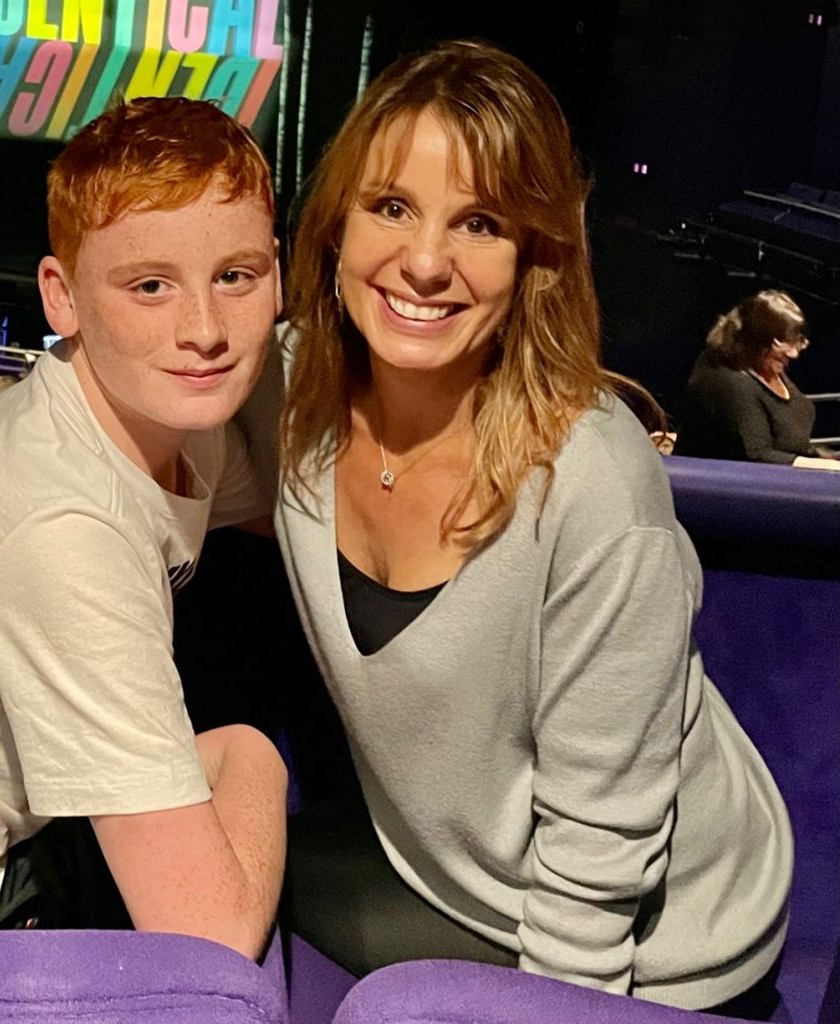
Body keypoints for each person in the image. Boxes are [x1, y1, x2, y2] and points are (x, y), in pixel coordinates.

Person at [268, 38, 792, 1015]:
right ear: (336, 221)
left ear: (535, 258)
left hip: (663, 939)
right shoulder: (289, 391)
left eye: (478, 222)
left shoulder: (594, 483)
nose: (423, 262)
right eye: (390, 206)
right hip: (461, 875)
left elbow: (596, 870)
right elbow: (117, 402)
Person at [0, 96, 287, 956]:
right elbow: (207, 934)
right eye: (149, 286)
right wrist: (256, 755)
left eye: (236, 276)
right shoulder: (66, 532)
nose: (205, 331)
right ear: (61, 299)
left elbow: (270, 521)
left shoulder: (169, 408)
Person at [673, 289, 840, 469]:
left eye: (797, 342)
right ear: (755, 339)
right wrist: (831, 467)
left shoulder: (766, 367)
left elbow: (793, 446)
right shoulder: (725, 380)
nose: (793, 353)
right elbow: (756, 455)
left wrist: (830, 459)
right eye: (782, 343)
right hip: (724, 489)